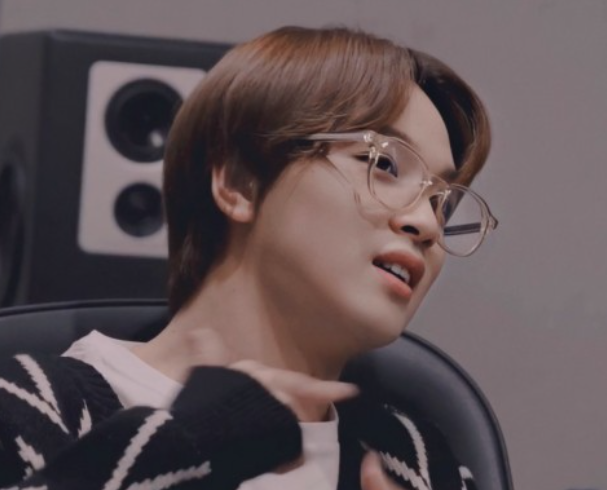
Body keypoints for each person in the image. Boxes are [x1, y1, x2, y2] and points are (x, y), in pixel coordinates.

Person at [0, 25, 497, 490]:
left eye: (442, 203)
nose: (427, 223)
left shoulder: (418, 462)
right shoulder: (31, 405)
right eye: (383, 163)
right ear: (239, 182)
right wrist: (186, 443)